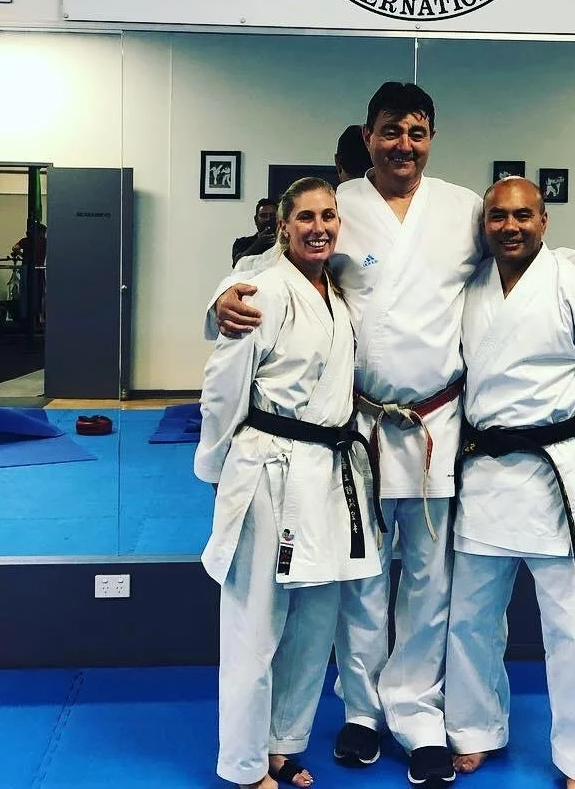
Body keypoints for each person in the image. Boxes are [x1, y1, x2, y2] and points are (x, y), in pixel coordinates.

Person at [212, 82, 575, 788]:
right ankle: (362, 711)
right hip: (356, 426)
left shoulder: (462, 209)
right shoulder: (342, 206)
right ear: (367, 135)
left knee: (431, 579)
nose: (404, 144)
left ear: (431, 137)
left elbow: (524, 242)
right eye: (390, 131)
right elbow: (264, 265)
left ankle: (418, 714)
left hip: (438, 422)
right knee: (361, 576)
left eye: (417, 131)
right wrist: (218, 298)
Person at [445, 177, 575, 789]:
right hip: (484, 472)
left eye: (523, 215)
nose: (510, 226)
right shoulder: (470, 286)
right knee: (470, 617)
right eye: (498, 217)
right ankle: (474, 730)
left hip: (556, 474)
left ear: (544, 220)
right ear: (485, 224)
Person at [196, 178, 385, 789]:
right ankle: (244, 764)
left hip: (328, 469)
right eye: (305, 217)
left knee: (315, 619)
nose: (319, 227)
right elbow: (223, 388)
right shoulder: (261, 290)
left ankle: (283, 744)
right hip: (269, 468)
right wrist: (219, 469)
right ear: (283, 226)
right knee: (255, 623)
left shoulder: (337, 292)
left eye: (328, 216)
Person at [233, 199, 278, 266]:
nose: (268, 219)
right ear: (255, 220)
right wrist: (258, 244)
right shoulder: (242, 243)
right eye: (263, 216)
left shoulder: (287, 243)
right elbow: (238, 264)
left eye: (273, 215)